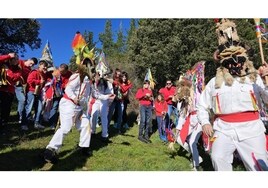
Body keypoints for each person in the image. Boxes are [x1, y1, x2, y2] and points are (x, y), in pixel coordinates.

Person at [197, 19, 268, 171]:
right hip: (223, 129)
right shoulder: (214, 82)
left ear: (245, 61)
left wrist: (267, 82)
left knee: (260, 167)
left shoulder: (254, 79)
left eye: (239, 60)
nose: (235, 64)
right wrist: (205, 122)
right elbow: (202, 105)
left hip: (251, 129)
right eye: (230, 61)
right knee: (217, 157)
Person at [43, 58, 93, 163]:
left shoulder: (89, 80)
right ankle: (50, 150)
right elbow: (68, 89)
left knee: (85, 125)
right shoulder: (76, 76)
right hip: (68, 104)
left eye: (91, 65)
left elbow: (89, 95)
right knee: (66, 127)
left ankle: (84, 147)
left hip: (81, 107)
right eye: (87, 65)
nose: (90, 67)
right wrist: (74, 98)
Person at [21, 60, 48, 131]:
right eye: (44, 66)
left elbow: (43, 84)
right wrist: (39, 81)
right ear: (40, 65)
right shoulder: (34, 72)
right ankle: (24, 124)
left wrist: (43, 81)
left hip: (38, 92)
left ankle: (37, 123)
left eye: (46, 66)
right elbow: (29, 80)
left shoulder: (44, 74)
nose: (45, 67)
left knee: (39, 108)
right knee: (28, 108)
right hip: (31, 91)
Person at [90, 71, 115, 142]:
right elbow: (94, 94)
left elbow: (110, 94)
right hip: (96, 100)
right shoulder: (93, 82)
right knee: (93, 115)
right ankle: (92, 132)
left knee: (104, 117)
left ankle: (105, 135)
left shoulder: (107, 83)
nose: (99, 76)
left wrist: (109, 102)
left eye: (100, 74)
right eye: (97, 75)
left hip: (105, 101)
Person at [0, 53, 22, 129]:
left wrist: (7, 70)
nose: (17, 60)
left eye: (17, 59)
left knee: (6, 109)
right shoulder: (3, 64)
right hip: (1, 89)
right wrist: (8, 55)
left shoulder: (18, 69)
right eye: (15, 58)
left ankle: (3, 125)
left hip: (9, 91)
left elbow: (15, 78)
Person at [14, 57, 38, 123]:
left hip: (22, 86)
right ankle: (20, 116)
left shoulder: (29, 69)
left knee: (23, 100)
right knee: (22, 100)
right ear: (29, 59)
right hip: (15, 84)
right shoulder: (20, 62)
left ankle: (20, 116)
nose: (31, 65)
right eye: (31, 63)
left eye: (32, 65)